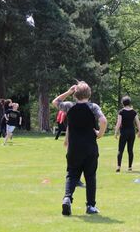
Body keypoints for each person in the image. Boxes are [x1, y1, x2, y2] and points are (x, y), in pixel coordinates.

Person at [52, 81, 107, 216]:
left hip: (74, 147)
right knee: (90, 176)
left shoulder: (69, 106)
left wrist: (69, 92)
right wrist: (100, 133)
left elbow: (55, 102)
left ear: (75, 94)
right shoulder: (93, 107)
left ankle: (67, 198)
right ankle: (90, 206)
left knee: (72, 174)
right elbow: (103, 121)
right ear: (89, 94)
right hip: (90, 146)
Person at [114, 96, 140, 172]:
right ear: (129, 103)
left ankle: (118, 167)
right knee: (130, 150)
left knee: (120, 150)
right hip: (132, 133)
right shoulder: (134, 112)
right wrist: (139, 132)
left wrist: (116, 132)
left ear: (123, 103)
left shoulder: (121, 112)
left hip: (124, 132)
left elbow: (119, 123)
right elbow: (138, 122)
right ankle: (130, 167)